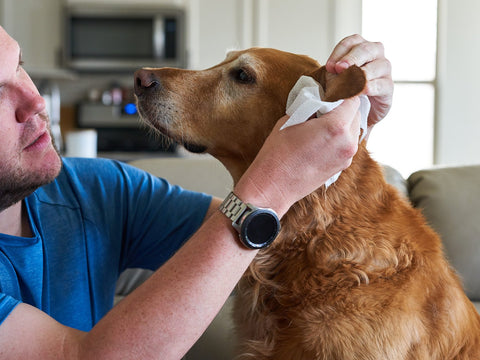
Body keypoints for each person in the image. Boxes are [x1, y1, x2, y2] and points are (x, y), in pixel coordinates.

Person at [0, 26, 392, 359]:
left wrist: (352, 132)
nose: (36, 101)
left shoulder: (97, 191)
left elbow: (282, 242)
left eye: (20, 65)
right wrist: (266, 190)